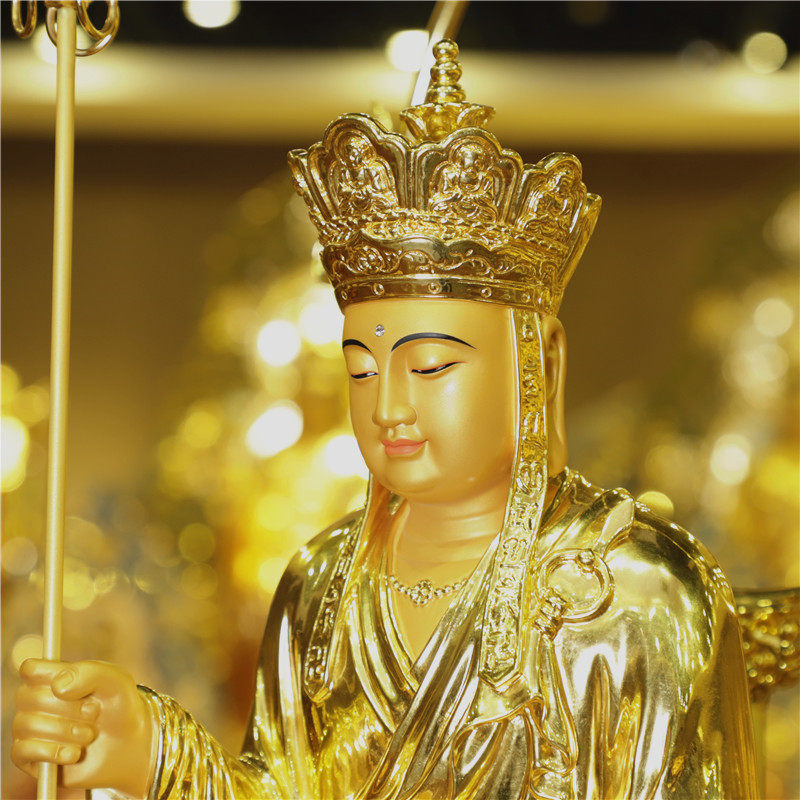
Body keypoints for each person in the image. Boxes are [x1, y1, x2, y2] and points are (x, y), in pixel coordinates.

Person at [12, 40, 757, 800]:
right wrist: (155, 752)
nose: (389, 407)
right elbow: (284, 791)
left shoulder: (638, 591)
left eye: (430, 367)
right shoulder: (323, 584)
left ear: (542, 364)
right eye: (361, 369)